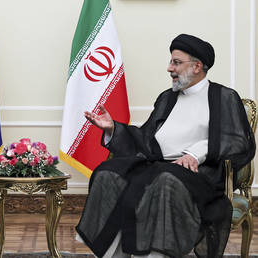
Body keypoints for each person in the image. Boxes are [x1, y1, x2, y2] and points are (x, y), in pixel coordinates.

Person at [76, 34, 255, 258]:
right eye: (171, 62)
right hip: (156, 166)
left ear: (197, 66)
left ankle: (154, 255)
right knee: (107, 173)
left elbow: (237, 140)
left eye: (176, 62)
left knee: (166, 181)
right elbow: (146, 138)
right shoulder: (167, 98)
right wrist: (113, 128)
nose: (170, 68)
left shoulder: (223, 96)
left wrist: (195, 154)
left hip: (199, 174)